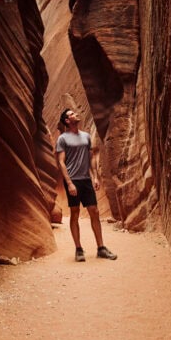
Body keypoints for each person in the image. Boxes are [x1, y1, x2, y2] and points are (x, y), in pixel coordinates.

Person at [55, 108, 117, 262]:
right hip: (73, 180)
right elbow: (61, 162)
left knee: (94, 211)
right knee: (75, 212)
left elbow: (91, 159)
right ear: (67, 121)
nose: (76, 114)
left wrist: (95, 177)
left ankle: (101, 248)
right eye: (72, 114)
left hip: (85, 180)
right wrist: (69, 183)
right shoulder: (62, 139)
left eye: (75, 113)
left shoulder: (86, 137)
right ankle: (78, 249)